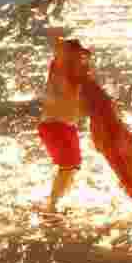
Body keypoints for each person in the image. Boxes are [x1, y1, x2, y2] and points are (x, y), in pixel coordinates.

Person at [37, 34, 91, 212]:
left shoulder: (68, 70)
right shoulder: (62, 68)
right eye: (79, 56)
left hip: (66, 125)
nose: (82, 59)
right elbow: (59, 49)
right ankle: (52, 206)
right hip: (55, 125)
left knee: (73, 165)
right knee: (68, 165)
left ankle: (59, 202)